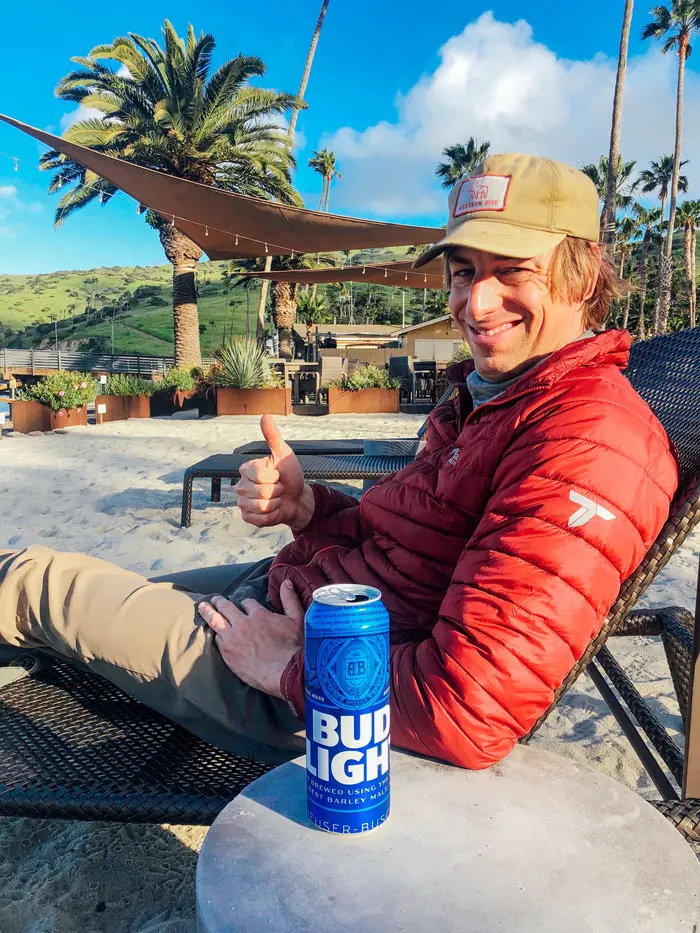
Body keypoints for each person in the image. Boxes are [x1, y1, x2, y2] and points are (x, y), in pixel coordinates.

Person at [0, 154, 679, 770]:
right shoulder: (501, 396)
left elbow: (467, 709)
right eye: (464, 271)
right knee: (87, 596)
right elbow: (413, 546)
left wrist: (294, 662)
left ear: (583, 273)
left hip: (321, 698)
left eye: (511, 271)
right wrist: (309, 509)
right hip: (300, 599)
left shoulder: (589, 442)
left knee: (30, 582)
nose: (474, 304)